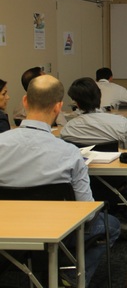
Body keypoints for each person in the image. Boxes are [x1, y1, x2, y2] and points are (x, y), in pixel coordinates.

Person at [0, 75, 120, 286]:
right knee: (111, 225)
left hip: (7, 228)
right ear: (58, 107)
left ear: (25, 101)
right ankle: (71, 280)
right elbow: (88, 212)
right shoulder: (69, 154)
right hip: (57, 232)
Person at [60, 77, 127, 150]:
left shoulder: (67, 130)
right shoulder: (123, 124)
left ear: (76, 103)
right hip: (114, 166)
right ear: (99, 95)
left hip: (84, 166)